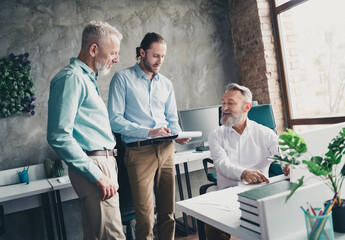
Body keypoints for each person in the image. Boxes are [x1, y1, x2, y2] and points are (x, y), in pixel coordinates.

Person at [47, 21, 126, 240]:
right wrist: (97, 175)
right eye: (113, 53)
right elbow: (58, 136)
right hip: (95, 165)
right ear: (93, 49)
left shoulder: (87, 79)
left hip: (102, 163)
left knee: (94, 235)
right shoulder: (72, 78)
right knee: (113, 236)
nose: (117, 58)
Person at [108, 32, 190, 240]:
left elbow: (172, 119)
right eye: (155, 56)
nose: (159, 61)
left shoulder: (166, 84)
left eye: (163, 56)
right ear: (142, 53)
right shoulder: (122, 79)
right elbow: (114, 120)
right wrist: (148, 132)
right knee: (145, 217)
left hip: (166, 150)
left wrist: (177, 134)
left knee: (168, 213)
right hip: (139, 151)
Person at [206, 83, 289, 239]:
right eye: (223, 103)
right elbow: (222, 164)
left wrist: (288, 162)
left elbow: (282, 152)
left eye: (230, 103)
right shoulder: (216, 135)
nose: (224, 108)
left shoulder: (265, 133)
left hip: (259, 194)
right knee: (212, 225)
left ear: (246, 107)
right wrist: (243, 173)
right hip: (227, 197)